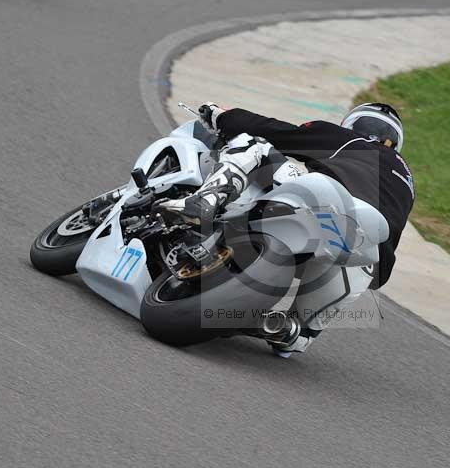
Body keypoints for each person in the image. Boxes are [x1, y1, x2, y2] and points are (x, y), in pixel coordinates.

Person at [162, 102, 415, 353]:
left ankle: (204, 201)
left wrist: (221, 116)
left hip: (328, 203)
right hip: (365, 254)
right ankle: (288, 331)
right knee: (299, 334)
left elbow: (277, 131)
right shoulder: (408, 184)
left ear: (353, 126)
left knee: (255, 145)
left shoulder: (349, 141)